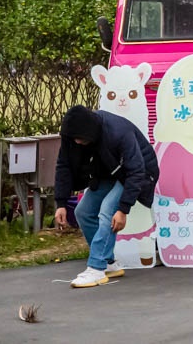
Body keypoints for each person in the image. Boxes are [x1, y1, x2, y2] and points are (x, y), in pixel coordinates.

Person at [53, 105, 159, 288]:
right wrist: (61, 202)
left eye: (80, 139)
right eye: (74, 139)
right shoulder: (72, 136)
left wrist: (123, 209)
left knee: (107, 212)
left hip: (139, 172)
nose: (77, 142)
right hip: (110, 171)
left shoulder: (119, 132)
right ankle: (109, 263)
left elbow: (136, 171)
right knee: (83, 212)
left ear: (91, 133)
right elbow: (64, 166)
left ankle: (96, 268)